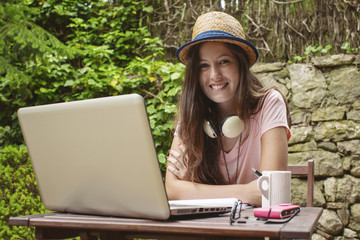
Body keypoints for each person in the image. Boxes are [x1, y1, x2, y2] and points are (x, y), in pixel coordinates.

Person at [165, 11, 291, 206]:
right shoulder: (192, 111)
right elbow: (173, 190)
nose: (215, 75)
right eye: (204, 65)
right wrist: (249, 190)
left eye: (224, 61)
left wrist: (195, 188)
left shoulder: (269, 103)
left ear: (241, 64)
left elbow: (271, 192)